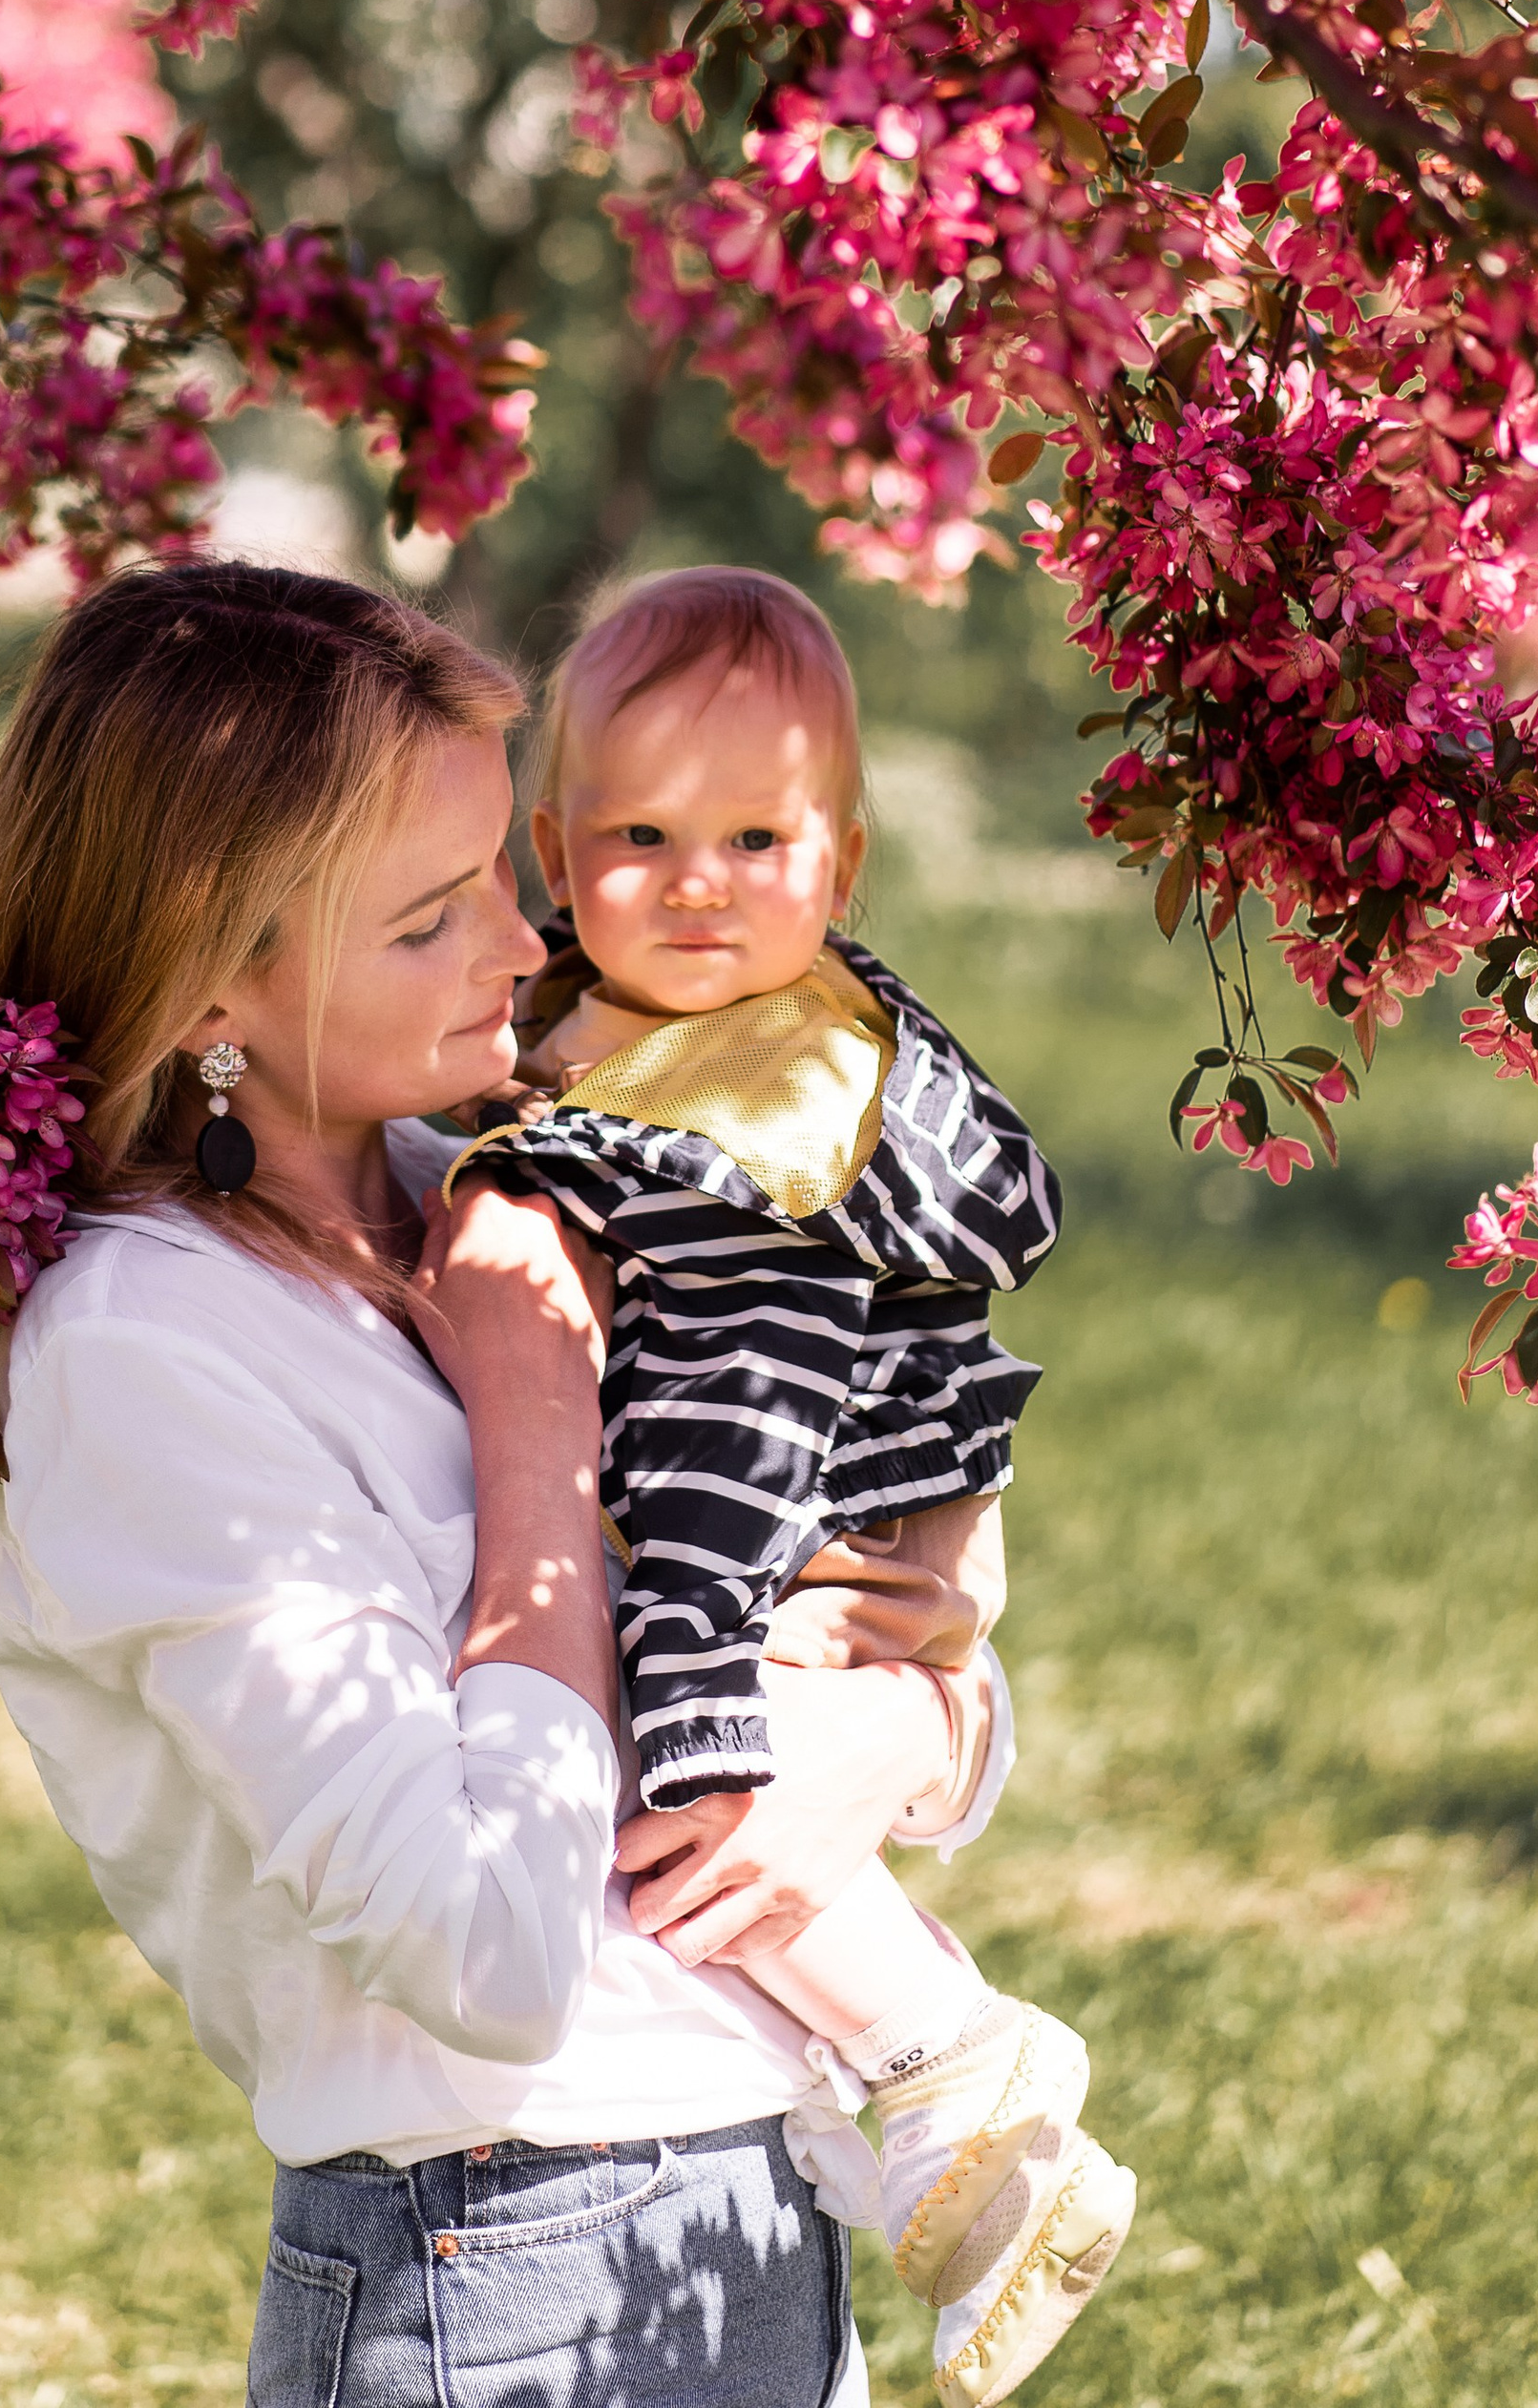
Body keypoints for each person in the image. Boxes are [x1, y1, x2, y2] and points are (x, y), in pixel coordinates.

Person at [0, 560, 1005, 2408]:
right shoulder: (147, 1351)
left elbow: (885, 1587)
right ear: (214, 982)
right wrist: (537, 1442)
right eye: (433, 917)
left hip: (760, 2212)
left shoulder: (520, 1198)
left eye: (506, 887)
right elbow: (486, 1950)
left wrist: (901, 1742)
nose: (528, 951)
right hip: (505, 2263)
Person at [446, 568, 1134, 2404]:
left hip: (787, 1497)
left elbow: (721, 1430)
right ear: (554, 850)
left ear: (842, 863)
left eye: (756, 837)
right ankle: (906, 2089)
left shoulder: (739, 1134)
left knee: (708, 1786)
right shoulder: (755, 1028)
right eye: (643, 836)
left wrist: (688, 1670)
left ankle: (934, 2055)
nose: (696, 882)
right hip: (874, 1471)